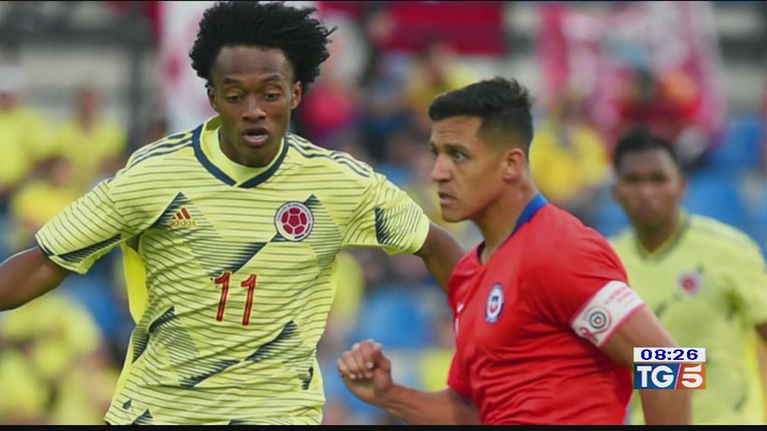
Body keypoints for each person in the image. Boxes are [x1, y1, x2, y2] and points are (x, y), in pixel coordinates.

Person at [0, 1, 463, 425]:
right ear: (213, 96)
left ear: (295, 94)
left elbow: (434, 245)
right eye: (236, 95)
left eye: (270, 94)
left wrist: (488, 322)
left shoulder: (339, 183)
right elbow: (45, 262)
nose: (254, 110)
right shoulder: (154, 175)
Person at [336, 78, 690, 425]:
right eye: (436, 154)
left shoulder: (560, 250)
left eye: (458, 155)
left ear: (510, 164)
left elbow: (671, 362)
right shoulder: (469, 273)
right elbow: (472, 411)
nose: (438, 173)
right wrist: (389, 395)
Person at [609, 127, 767, 424]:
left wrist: (678, 366)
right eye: (633, 180)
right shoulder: (607, 262)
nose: (646, 192)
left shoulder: (729, 250)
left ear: (680, 186)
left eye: (658, 179)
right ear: (616, 192)